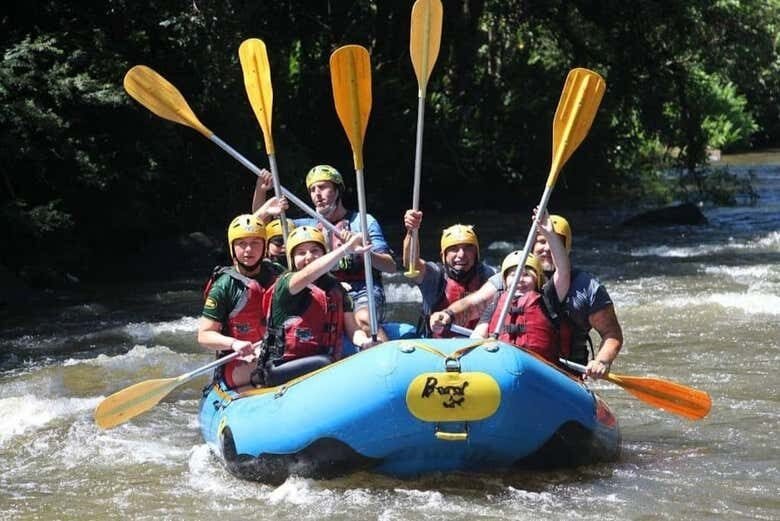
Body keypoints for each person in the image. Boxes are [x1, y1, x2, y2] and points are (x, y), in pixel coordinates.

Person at [430, 212, 623, 379]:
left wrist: (601, 362)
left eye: (553, 241)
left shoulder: (584, 289)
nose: (546, 248)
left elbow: (612, 334)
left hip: (564, 372)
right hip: (508, 369)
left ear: (566, 247)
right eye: (541, 241)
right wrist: (447, 314)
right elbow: (476, 303)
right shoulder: (509, 284)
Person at [254, 164, 396, 341]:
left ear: (337, 190)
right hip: (325, 289)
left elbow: (390, 266)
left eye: (323, 187)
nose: (317, 194)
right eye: (313, 190)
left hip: (363, 290)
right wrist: (262, 194)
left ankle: (384, 357)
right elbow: (254, 228)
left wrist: (362, 251)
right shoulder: (306, 226)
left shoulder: (363, 222)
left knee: (364, 319)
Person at [255, 225, 378, 386]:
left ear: (323, 254)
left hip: (322, 365)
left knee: (332, 362)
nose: (309, 257)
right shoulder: (287, 284)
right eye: (301, 253)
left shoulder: (336, 289)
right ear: (291, 258)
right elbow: (308, 274)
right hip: (281, 368)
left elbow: (353, 329)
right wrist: (346, 249)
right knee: (325, 363)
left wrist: (364, 342)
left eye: (315, 251)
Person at [197, 213, 285, 389]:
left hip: (276, 353)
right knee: (270, 370)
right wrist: (234, 343)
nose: (248, 250)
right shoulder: (224, 286)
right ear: (232, 248)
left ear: (265, 246)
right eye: (242, 244)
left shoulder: (277, 272)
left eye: (255, 243)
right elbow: (204, 335)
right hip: (239, 362)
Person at [470, 214, 570, 363]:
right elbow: (477, 337)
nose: (519, 280)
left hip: (540, 368)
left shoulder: (548, 298)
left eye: (526, 275)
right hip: (503, 365)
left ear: (538, 280)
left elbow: (563, 270)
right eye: (513, 275)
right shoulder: (496, 303)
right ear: (504, 281)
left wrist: (549, 234)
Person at [402, 209, 496, 336]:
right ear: (443, 255)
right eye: (454, 249)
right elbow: (410, 262)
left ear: (476, 253)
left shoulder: (488, 275)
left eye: (468, 248)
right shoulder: (435, 275)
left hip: (475, 343)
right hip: (437, 345)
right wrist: (411, 231)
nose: (461, 255)